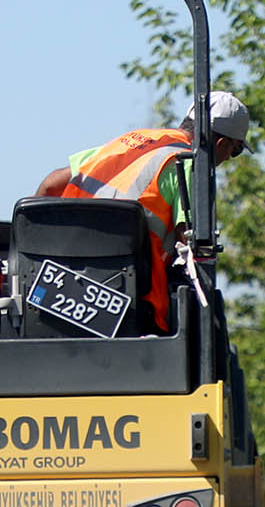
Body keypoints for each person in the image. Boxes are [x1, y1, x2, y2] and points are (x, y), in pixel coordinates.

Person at [33, 90, 250, 332]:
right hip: (131, 305)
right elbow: (191, 243)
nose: (228, 158)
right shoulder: (188, 163)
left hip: (57, 286)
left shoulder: (130, 140)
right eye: (235, 150)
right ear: (221, 144)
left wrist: (31, 248)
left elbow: (50, 185)